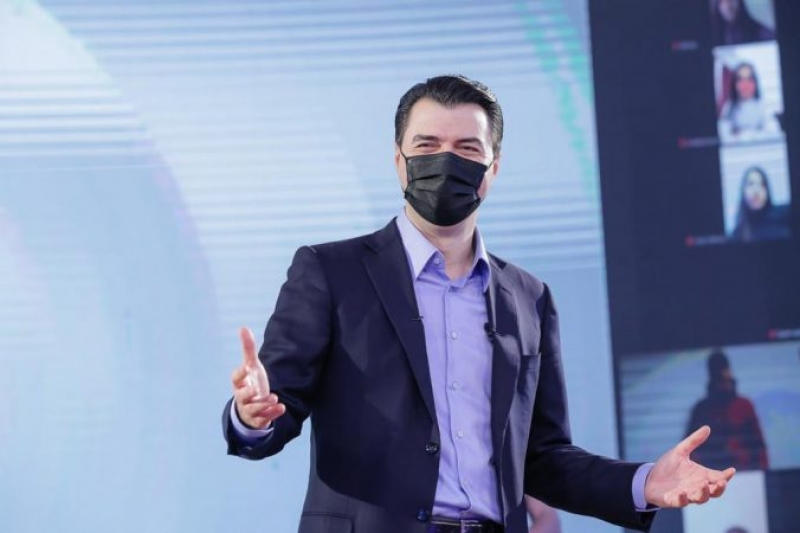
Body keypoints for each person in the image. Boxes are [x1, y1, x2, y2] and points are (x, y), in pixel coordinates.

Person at [222, 75, 735, 533]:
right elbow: (275, 409)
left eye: (467, 148)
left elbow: (543, 458)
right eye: (427, 145)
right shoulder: (331, 272)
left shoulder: (529, 298)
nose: (445, 161)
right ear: (399, 160)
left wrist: (643, 483)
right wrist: (252, 416)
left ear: (493, 167)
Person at [686, 350, 768, 470]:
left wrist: (761, 473)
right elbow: (691, 451)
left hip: (746, 473)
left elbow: (759, 448)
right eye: (719, 378)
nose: (723, 383)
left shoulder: (744, 406)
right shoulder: (701, 410)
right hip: (710, 474)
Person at [717, 62, 778, 140]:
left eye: (749, 79)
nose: (745, 84)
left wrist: (748, 134)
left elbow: (772, 131)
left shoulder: (764, 106)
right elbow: (723, 133)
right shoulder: (729, 107)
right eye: (740, 80)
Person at [730, 166, 790, 242]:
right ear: (743, 191)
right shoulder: (737, 235)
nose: (756, 191)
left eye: (762, 185)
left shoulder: (784, 217)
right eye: (750, 184)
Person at [710, 0, 775, 46]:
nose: (728, 6)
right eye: (722, 2)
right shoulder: (713, 33)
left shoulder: (755, 29)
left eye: (731, 0)